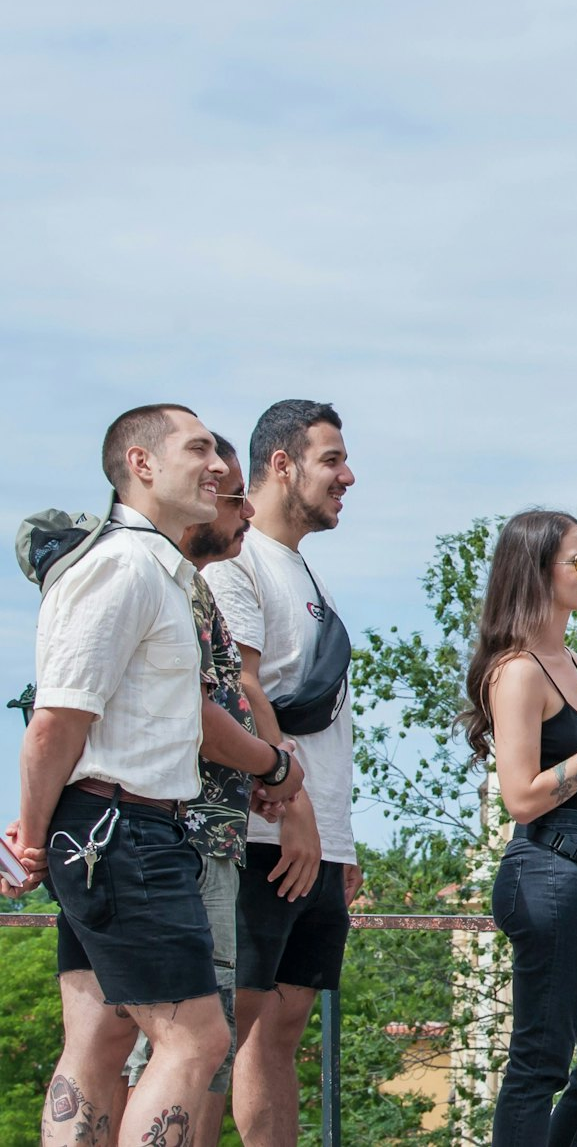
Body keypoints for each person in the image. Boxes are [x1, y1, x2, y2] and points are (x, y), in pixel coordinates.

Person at [3, 404, 233, 1146]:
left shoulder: (154, 570)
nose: (220, 465)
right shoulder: (124, 566)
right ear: (141, 464)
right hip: (120, 832)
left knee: (100, 1040)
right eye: (198, 449)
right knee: (196, 1041)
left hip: (114, 829)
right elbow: (56, 721)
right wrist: (28, 839)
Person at [119, 433, 305, 1146]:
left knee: (191, 1046)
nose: (245, 513)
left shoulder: (187, 586)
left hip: (199, 834)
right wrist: (273, 766)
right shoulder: (151, 577)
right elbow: (188, 710)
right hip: (170, 834)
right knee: (180, 1045)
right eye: (228, 498)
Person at [459, 510, 577, 1146]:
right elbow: (521, 798)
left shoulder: (565, 657)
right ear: (538, 572)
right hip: (547, 875)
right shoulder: (518, 671)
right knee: (539, 1064)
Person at [203, 399, 360, 1147]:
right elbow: (243, 688)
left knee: (284, 1028)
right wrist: (294, 811)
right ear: (281, 464)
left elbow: (330, 719)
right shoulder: (240, 562)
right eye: (332, 460)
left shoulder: (307, 574)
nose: (347, 477)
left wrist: (341, 840)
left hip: (317, 840)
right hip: (265, 833)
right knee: (221, 1027)